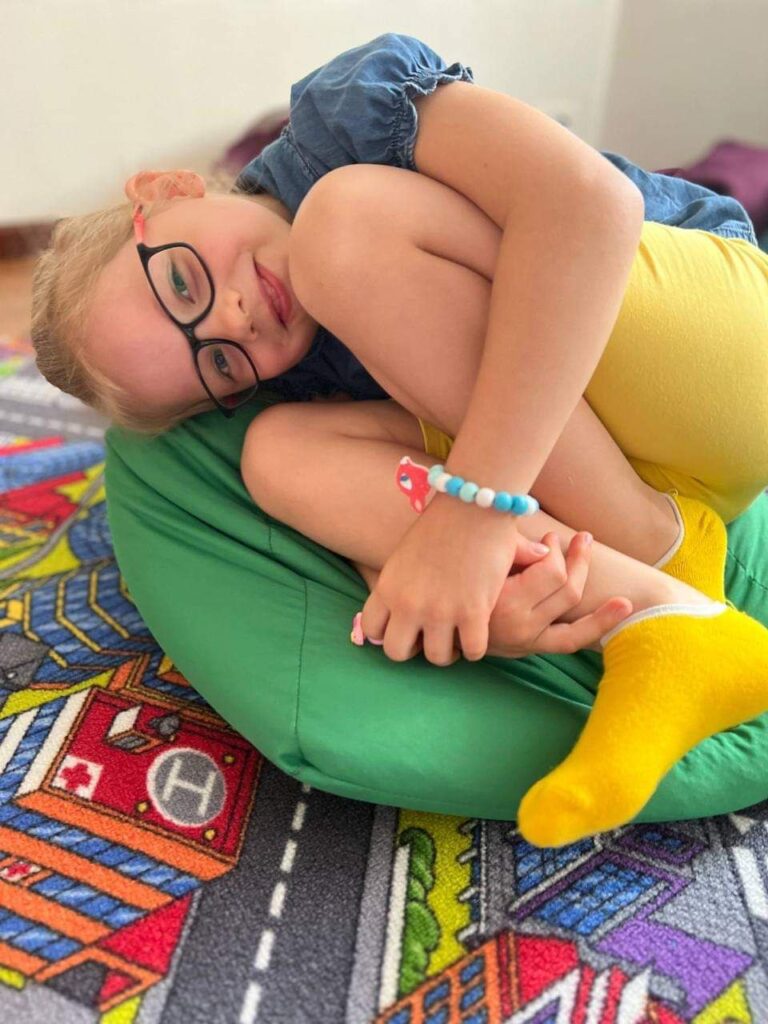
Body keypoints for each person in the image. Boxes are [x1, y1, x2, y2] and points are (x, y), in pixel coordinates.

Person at [29, 33, 768, 847]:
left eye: (181, 281)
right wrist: (482, 610)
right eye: (218, 364)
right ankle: (668, 618)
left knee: (339, 232)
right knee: (279, 456)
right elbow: (388, 531)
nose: (232, 318)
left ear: (168, 191)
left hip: (719, 351)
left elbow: (593, 204)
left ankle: (661, 554)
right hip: (646, 462)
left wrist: (477, 512)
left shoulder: (343, 119)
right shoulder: (294, 377)